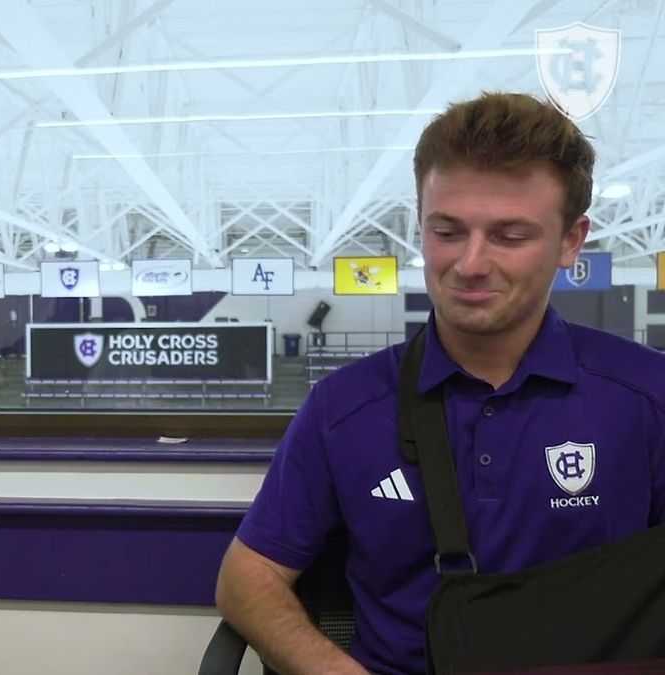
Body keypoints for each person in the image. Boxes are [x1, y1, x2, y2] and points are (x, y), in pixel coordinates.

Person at [216, 91, 665, 674]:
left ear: (570, 242)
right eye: (447, 231)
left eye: (510, 236)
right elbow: (248, 578)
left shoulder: (648, 395)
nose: (471, 264)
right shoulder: (344, 408)